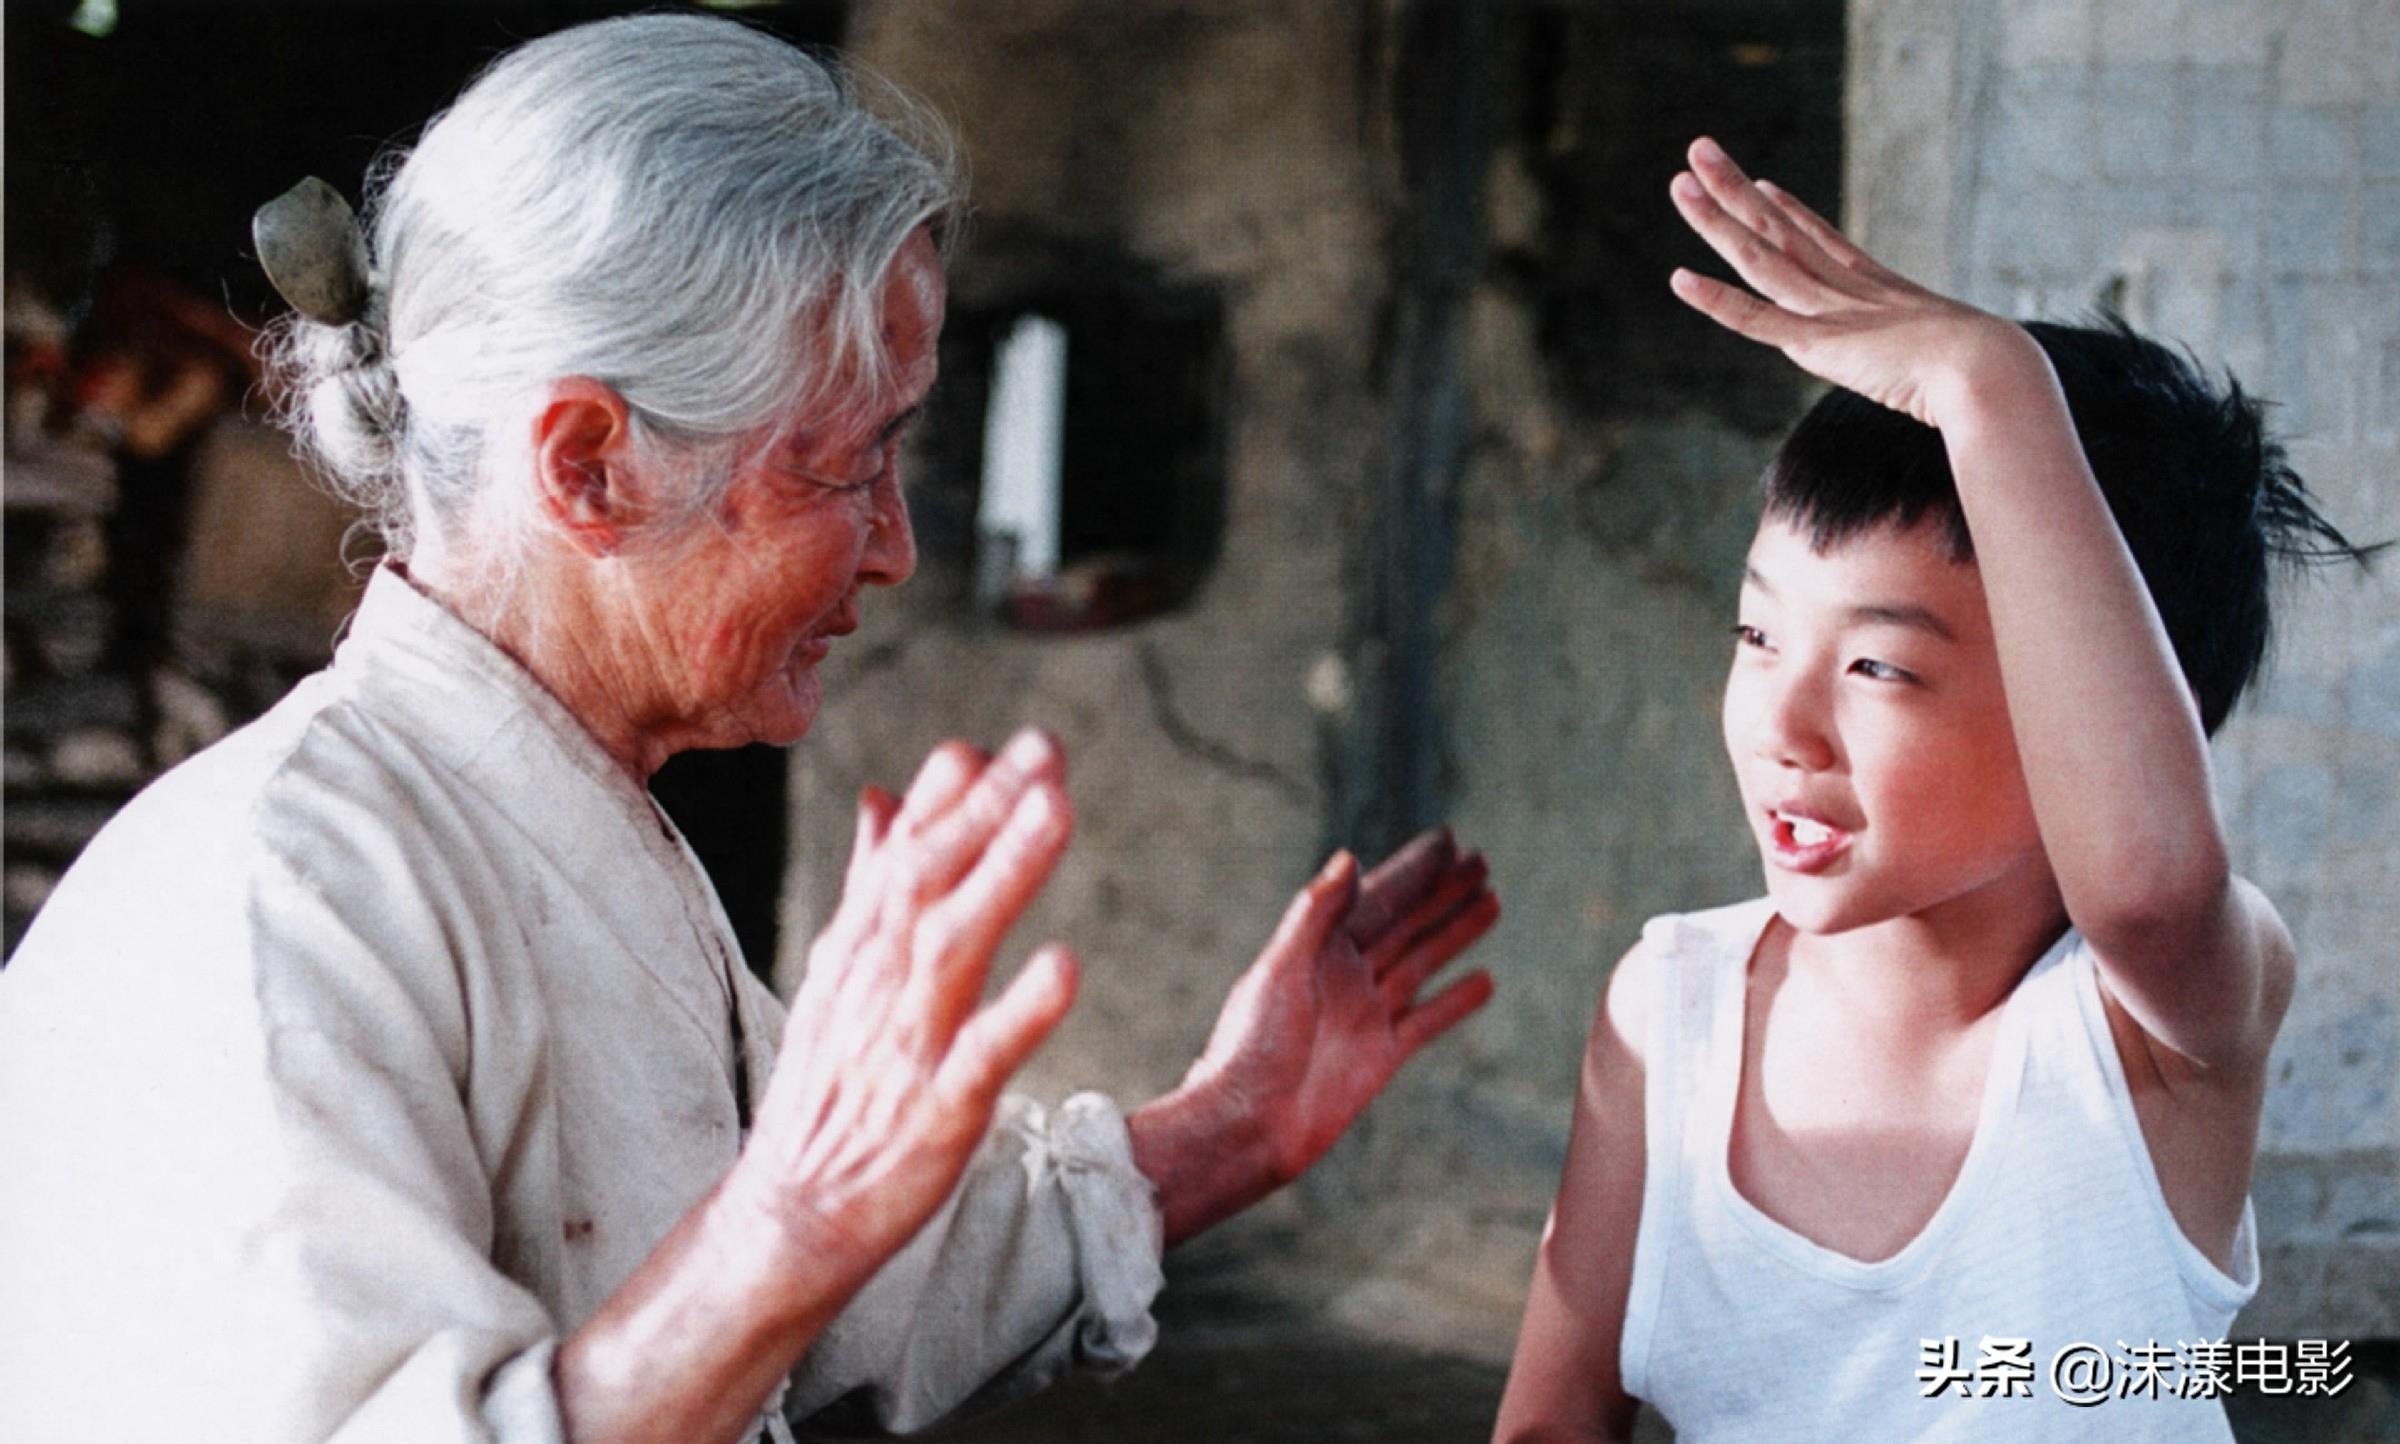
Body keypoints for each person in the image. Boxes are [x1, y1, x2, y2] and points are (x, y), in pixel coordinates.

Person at [0, 17, 1500, 1444]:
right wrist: (783, 1230)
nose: (896, 547)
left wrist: (1231, 1127)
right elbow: (780, 1247)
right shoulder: (281, 898)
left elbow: (862, 1282)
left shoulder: (558, 826)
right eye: (849, 464)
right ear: (589, 465)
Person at [1493, 138, 2378, 1443]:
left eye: (1879, 666)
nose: (1781, 725)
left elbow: (2143, 884)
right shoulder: (1670, 1012)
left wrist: (1989, 384)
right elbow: (1552, 1423)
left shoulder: (2147, 1033)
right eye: (1757, 635)